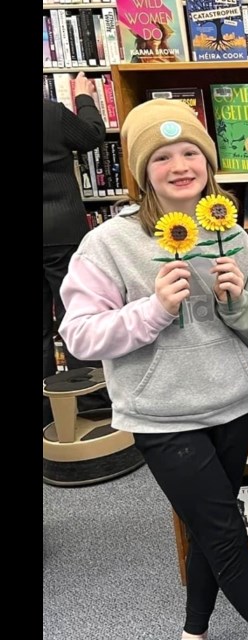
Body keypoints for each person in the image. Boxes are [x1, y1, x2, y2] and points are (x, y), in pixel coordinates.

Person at [58, 99, 248, 640]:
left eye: (191, 152)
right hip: (162, 414)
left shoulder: (231, 234)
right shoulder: (107, 244)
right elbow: (79, 334)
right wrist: (155, 310)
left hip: (231, 403)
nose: (180, 165)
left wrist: (236, 301)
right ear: (142, 173)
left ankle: (194, 630)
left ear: (209, 164)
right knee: (225, 529)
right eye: (162, 157)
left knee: (206, 528)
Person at [43, 71, 108, 428]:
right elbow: (92, 136)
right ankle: (91, 403)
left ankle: (45, 414)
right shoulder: (50, 113)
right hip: (62, 229)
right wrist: (84, 97)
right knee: (74, 316)